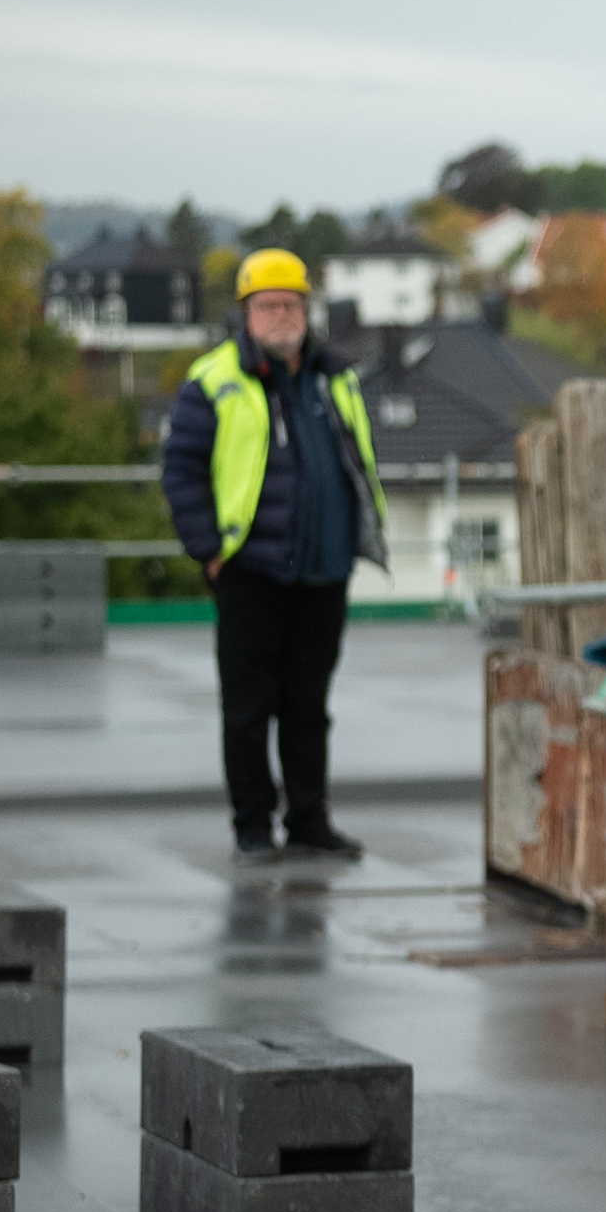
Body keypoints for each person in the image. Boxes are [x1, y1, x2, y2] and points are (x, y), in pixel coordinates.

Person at [165, 247, 381, 861]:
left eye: (291, 303)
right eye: (268, 305)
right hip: (250, 571)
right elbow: (181, 471)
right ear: (246, 313)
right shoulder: (215, 379)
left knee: (309, 706)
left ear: (308, 308)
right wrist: (208, 550)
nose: (281, 315)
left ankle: (310, 819)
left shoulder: (333, 377)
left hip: (324, 570)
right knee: (248, 708)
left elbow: (353, 461)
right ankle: (253, 825)